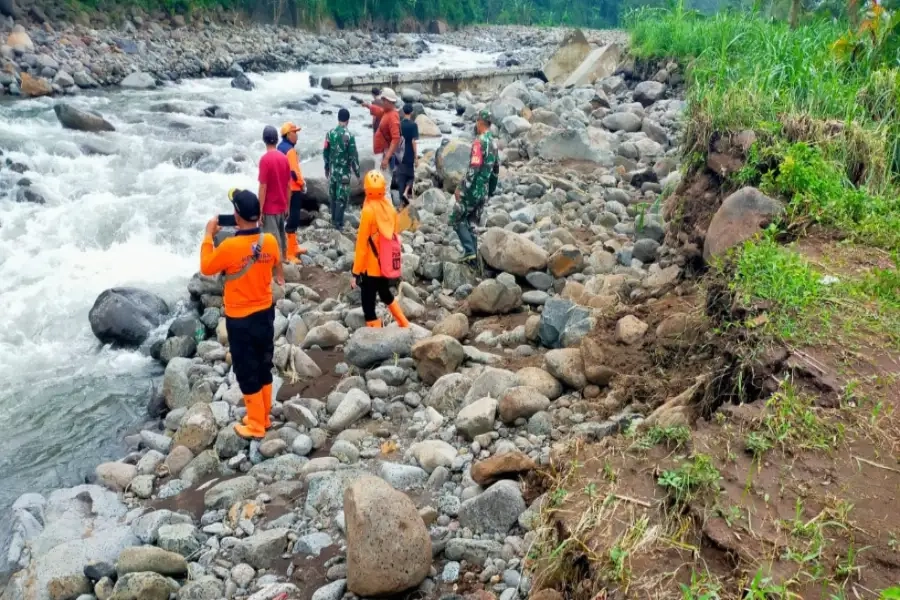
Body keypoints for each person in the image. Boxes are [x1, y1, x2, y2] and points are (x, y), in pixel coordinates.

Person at [200, 189, 284, 439]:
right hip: (265, 312)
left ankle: (257, 424)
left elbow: (206, 267)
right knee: (263, 363)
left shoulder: (229, 246)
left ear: (237, 215)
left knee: (246, 369)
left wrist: (208, 235)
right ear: (257, 215)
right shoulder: (268, 240)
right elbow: (276, 261)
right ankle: (264, 415)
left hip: (241, 318)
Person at [351, 171, 409, 329]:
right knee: (385, 294)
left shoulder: (368, 211)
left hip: (370, 268)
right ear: (383, 189)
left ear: (366, 189)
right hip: (385, 264)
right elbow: (394, 234)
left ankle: (376, 335)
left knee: (368, 304)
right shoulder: (390, 209)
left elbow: (362, 245)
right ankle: (404, 323)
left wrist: (356, 272)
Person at [450, 109, 499, 265]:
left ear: (479, 122)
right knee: (472, 223)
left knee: (456, 218)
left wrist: (461, 188)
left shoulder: (479, 142)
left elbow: (473, 168)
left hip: (473, 189)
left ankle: (469, 251)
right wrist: (491, 190)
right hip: (484, 189)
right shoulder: (494, 143)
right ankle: (474, 261)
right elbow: (496, 170)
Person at [276, 122, 314, 263]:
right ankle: (289, 253)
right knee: (292, 219)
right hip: (293, 188)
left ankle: (294, 246)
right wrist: (302, 183)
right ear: (288, 134)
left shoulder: (280, 148)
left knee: (290, 218)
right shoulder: (290, 151)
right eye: (294, 133)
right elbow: (293, 172)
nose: (296, 135)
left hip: (283, 188)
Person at [257, 125, 292, 260]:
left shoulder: (265, 160)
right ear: (277, 140)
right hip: (282, 205)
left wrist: (259, 210)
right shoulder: (284, 158)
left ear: (264, 140)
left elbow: (263, 187)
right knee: (281, 235)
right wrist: (287, 206)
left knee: (271, 240)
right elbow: (288, 185)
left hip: (269, 208)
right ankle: (284, 260)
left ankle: (276, 271)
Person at [323, 108, 361, 231]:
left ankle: (333, 219)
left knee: (333, 194)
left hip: (333, 170)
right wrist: (357, 172)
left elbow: (325, 151)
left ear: (338, 118)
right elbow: (353, 155)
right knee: (342, 196)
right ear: (348, 120)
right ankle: (338, 224)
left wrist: (327, 167)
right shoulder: (349, 136)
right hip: (344, 172)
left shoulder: (330, 133)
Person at [396, 103, 419, 208]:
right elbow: (414, 142)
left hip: (400, 154)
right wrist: (416, 157)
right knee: (411, 176)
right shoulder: (413, 125)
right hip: (409, 153)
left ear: (403, 112)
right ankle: (406, 193)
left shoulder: (399, 124)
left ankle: (401, 203)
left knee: (401, 178)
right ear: (412, 112)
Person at [374, 89, 401, 175]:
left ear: (388, 101)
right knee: (379, 181)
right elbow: (378, 111)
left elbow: (396, 138)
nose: (381, 102)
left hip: (384, 154)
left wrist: (386, 158)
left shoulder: (392, 117)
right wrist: (367, 106)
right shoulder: (387, 112)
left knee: (383, 182)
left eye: (383, 100)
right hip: (381, 153)